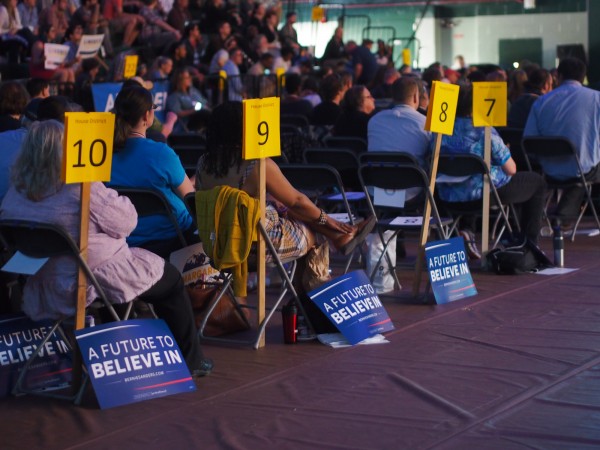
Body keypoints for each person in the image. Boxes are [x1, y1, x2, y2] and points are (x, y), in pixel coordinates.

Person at [0, 120, 212, 377]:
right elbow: (127, 222)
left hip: (45, 281)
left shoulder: (15, 195)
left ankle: (117, 347)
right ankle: (192, 360)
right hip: (91, 278)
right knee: (170, 281)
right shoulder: (81, 189)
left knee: (121, 279)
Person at [195, 101, 375, 264]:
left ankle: (337, 237)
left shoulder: (203, 163)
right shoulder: (257, 165)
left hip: (219, 245)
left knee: (282, 207)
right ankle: (309, 291)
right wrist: (328, 220)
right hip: (256, 246)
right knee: (308, 229)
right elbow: (297, 201)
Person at [438, 84, 546, 245]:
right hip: (483, 196)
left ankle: (466, 233)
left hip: (447, 197)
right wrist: (503, 153)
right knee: (537, 182)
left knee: (474, 176)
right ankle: (530, 243)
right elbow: (511, 170)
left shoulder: (439, 130)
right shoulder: (485, 132)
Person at [107, 86, 199, 258]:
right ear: (146, 116)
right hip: (173, 239)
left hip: (127, 239)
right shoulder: (161, 153)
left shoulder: (104, 156)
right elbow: (189, 198)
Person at [524, 57, 600, 226]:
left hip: (548, 170)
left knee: (581, 168)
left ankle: (565, 213)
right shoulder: (596, 99)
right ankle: (566, 214)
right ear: (583, 76)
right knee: (587, 168)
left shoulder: (541, 101)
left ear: (558, 75)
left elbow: (528, 140)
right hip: (584, 169)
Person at [368, 77, 431, 168]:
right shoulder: (425, 123)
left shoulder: (374, 120)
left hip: (376, 179)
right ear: (415, 97)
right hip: (413, 180)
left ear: (393, 97)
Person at [166, 67, 211, 132]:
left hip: (203, 118)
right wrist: (193, 111)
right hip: (189, 122)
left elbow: (204, 101)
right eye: (186, 77)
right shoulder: (174, 96)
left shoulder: (194, 91)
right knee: (204, 114)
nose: (189, 79)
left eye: (189, 77)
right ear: (180, 80)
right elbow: (177, 113)